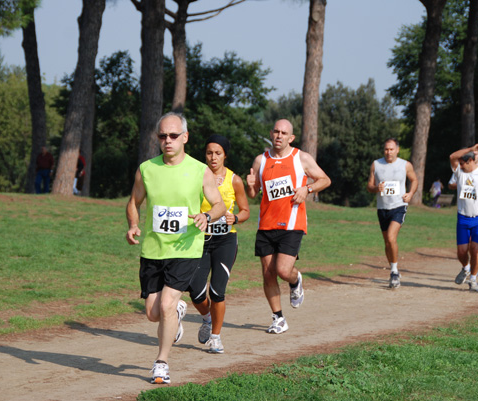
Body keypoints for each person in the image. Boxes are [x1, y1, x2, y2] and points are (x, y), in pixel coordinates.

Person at [125, 112, 226, 384]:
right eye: (162, 136)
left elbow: (220, 205)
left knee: (167, 305)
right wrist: (133, 224)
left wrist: (207, 216)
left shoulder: (199, 170)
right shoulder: (147, 169)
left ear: (185, 137)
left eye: (173, 135)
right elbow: (134, 202)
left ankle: (161, 363)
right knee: (152, 313)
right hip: (153, 250)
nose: (167, 141)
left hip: (186, 247)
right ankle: (179, 311)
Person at [246, 119, 331, 334]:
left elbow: (325, 179)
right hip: (266, 223)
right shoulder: (260, 160)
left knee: (283, 270)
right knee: (267, 273)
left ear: (290, 137)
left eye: (284, 133)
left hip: (292, 223)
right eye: (276, 131)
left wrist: (308, 189)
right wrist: (250, 185)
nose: (279, 135)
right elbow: (254, 194)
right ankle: (278, 318)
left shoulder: (301, 158)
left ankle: (296, 280)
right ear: (271, 133)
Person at [188, 134, 250, 354]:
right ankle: (206, 318)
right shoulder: (196, 176)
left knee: (216, 291)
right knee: (195, 290)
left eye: (218, 153)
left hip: (225, 240)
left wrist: (237, 218)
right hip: (200, 240)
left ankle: (215, 336)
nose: (213, 158)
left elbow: (245, 211)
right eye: (209, 153)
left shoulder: (235, 180)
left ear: (225, 155)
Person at [366, 138, 418, 289]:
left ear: (397, 150)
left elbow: (414, 180)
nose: (388, 152)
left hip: (399, 205)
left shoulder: (405, 165)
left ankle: (394, 272)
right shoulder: (376, 164)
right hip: (382, 208)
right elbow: (369, 185)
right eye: (386, 149)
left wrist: (410, 194)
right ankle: (393, 268)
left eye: (391, 149)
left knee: (391, 236)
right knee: (387, 242)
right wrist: (376, 188)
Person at [449, 144, 478, 292]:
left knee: (475, 249)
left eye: (462, 163)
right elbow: (452, 157)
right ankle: (466, 268)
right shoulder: (460, 172)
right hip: (463, 216)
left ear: (470, 161)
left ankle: (473, 279)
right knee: (461, 252)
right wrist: (471, 148)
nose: (459, 166)